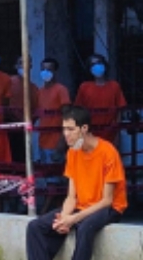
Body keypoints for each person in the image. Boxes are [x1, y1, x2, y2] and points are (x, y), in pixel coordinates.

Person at [8, 104, 128, 260]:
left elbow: (107, 200)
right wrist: (64, 217)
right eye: (64, 129)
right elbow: (71, 196)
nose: (66, 134)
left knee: (85, 227)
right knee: (35, 227)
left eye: (70, 129)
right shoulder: (73, 152)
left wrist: (73, 219)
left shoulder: (108, 152)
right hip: (81, 206)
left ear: (84, 129)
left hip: (109, 207)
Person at [36, 58, 72, 212]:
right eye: (43, 69)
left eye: (49, 69)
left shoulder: (61, 90)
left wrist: (62, 141)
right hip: (42, 141)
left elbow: (67, 117)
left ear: (55, 71)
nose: (46, 72)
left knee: (54, 181)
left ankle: (44, 211)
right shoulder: (39, 92)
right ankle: (56, 211)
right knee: (50, 179)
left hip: (55, 141)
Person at [74, 54, 127, 144]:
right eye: (93, 64)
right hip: (90, 135)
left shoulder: (114, 86)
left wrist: (117, 134)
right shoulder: (84, 87)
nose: (96, 66)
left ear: (104, 65)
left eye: (99, 63)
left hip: (110, 135)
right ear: (89, 69)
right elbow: (79, 111)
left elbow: (119, 112)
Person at [8, 56, 39, 166]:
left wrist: (29, 123)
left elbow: (37, 110)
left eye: (27, 63)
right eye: (21, 63)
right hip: (7, 126)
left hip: (24, 129)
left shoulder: (34, 88)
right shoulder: (8, 82)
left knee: (22, 157)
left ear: (31, 66)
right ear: (16, 66)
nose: (24, 66)